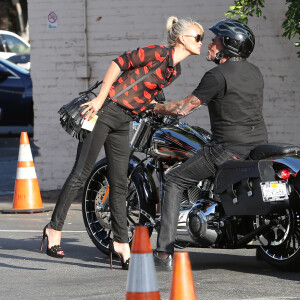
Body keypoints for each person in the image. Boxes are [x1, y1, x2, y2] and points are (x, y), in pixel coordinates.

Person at [40, 16, 204, 270]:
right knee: (82, 173)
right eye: (198, 37)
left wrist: (171, 108)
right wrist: (98, 101)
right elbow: (118, 63)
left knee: (119, 182)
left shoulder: (174, 70)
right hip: (103, 111)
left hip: (123, 120)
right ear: (182, 39)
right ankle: (54, 229)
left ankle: (119, 242)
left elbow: (145, 95)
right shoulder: (157, 52)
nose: (201, 43)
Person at [152, 19, 268, 270]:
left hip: (227, 149)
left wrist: (156, 107)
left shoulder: (216, 76)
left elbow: (184, 108)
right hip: (256, 146)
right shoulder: (255, 72)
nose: (209, 45)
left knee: (173, 180)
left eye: (215, 41)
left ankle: (163, 253)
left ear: (227, 45)